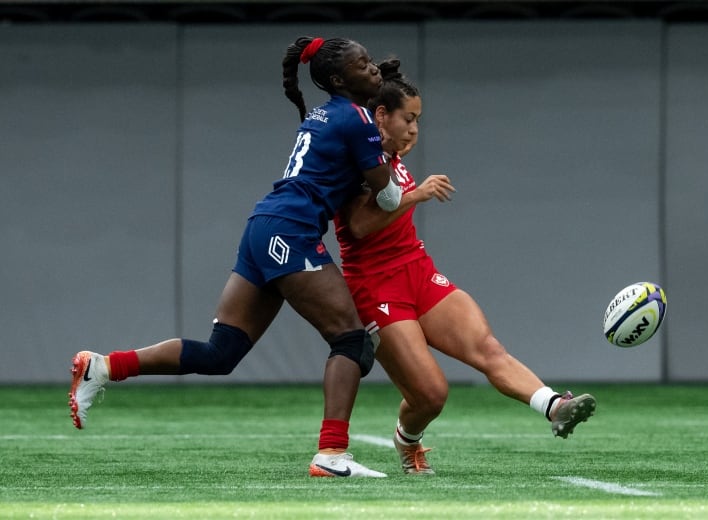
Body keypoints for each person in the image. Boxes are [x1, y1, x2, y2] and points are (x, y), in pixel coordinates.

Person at [68, 36, 406, 478]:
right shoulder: (357, 118)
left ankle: (105, 365)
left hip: (264, 226)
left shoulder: (331, 114)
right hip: (292, 230)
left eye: (369, 60)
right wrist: (397, 153)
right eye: (363, 64)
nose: (373, 68)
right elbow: (387, 194)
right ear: (339, 79)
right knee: (350, 340)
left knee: (220, 354)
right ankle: (332, 454)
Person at [333, 59, 596, 475]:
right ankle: (407, 440)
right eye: (409, 118)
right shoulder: (355, 158)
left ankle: (554, 406)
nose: (415, 129)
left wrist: (410, 188)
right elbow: (359, 226)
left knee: (488, 348)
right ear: (382, 116)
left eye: (419, 120)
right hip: (375, 287)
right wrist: (417, 195)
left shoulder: (391, 158)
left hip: (417, 271)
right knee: (432, 394)